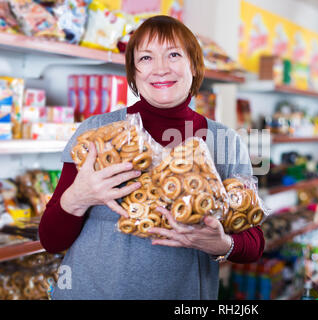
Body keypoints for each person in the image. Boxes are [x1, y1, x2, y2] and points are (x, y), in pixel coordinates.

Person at [39, 15, 264, 300]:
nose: (160, 69)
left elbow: (254, 244)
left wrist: (222, 244)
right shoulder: (97, 133)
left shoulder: (225, 141)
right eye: (146, 58)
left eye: (173, 54)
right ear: (134, 71)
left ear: (193, 65)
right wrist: (79, 197)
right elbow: (51, 239)